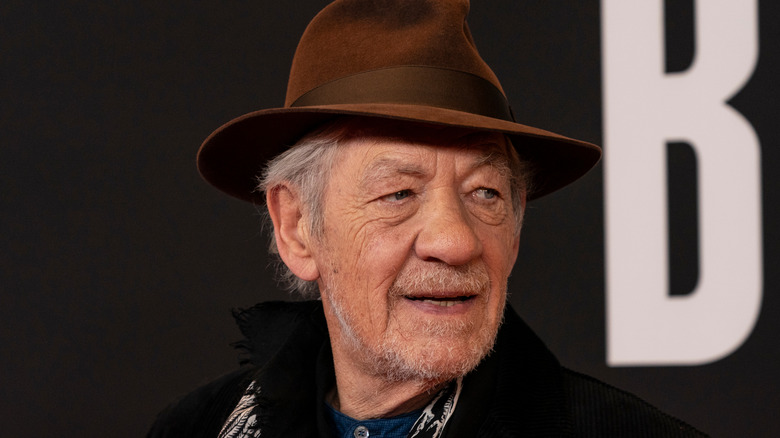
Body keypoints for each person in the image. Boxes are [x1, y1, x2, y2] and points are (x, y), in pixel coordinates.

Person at [149, 0, 707, 436]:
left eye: (484, 193)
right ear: (296, 227)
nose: (455, 240)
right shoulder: (197, 427)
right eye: (399, 193)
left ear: (514, 231)